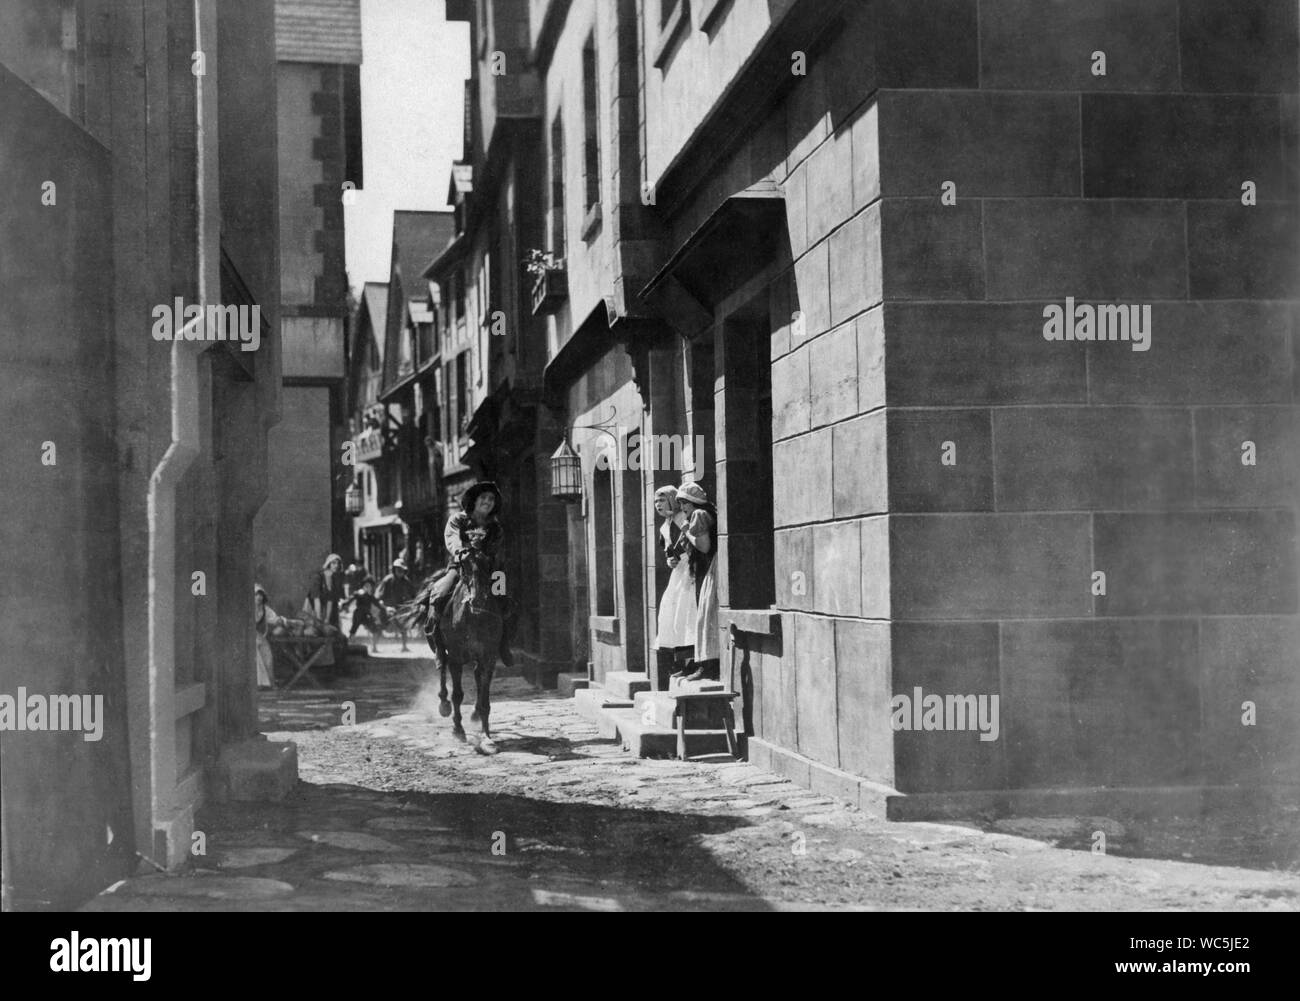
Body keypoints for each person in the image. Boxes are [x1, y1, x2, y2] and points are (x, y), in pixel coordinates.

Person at [420, 481, 512, 667]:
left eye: (491, 499)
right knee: (438, 595)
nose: (487, 502)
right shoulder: (458, 519)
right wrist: (462, 551)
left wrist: (487, 559)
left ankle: (503, 645)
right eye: (483, 498)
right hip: (460, 567)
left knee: (506, 602)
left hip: (490, 570)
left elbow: (497, 549)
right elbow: (451, 538)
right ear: (475, 500)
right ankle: (439, 647)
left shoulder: (495, 527)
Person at [652, 485, 697, 688]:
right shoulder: (664, 526)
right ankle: (683, 662)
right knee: (672, 616)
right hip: (678, 575)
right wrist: (670, 561)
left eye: (662, 500)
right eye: (656, 501)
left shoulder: (683, 520)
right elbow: (669, 552)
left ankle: (696, 662)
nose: (658, 505)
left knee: (688, 614)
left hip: (691, 572)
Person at [676, 481, 721, 682]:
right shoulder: (699, 514)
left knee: (706, 615)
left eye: (683, 503)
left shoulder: (699, 516)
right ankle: (705, 664)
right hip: (709, 567)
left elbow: (703, 546)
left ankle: (708, 666)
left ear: (692, 503)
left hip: (713, 567)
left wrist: (686, 530)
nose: (682, 508)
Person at [304, 554, 345, 667]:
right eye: (333, 563)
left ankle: (329, 667)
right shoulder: (318, 577)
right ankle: (312, 664)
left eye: (338, 563)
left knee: (334, 636)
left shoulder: (335, 578)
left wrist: (327, 618)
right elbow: (316, 599)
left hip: (328, 612)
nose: (336, 566)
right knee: (314, 634)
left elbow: (331, 600)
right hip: (313, 610)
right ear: (328, 564)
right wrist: (319, 619)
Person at [377, 558, 419, 652]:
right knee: (379, 625)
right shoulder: (387, 580)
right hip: (386, 608)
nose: (400, 572)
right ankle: (375, 646)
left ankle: (404, 646)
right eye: (398, 570)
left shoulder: (406, 581)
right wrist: (386, 608)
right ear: (394, 570)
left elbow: (413, 596)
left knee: (404, 624)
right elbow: (379, 598)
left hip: (400, 609)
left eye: (402, 570)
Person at [341, 576, 386, 652]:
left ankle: (374, 647)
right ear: (363, 586)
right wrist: (345, 604)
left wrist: (383, 607)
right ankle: (348, 646)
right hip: (359, 614)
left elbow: (378, 604)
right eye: (366, 585)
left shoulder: (370, 596)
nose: (368, 587)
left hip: (366, 615)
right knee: (353, 630)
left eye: (369, 586)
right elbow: (352, 598)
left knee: (375, 630)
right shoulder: (360, 593)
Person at [254, 585, 284, 689]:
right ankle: (257, 684)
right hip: (249, 639)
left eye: (261, 595)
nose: (259, 597)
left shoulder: (265, 609)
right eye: (256, 595)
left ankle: (270, 683)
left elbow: (273, 618)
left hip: (261, 637)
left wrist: (280, 621)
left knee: (268, 657)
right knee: (255, 657)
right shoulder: (247, 608)